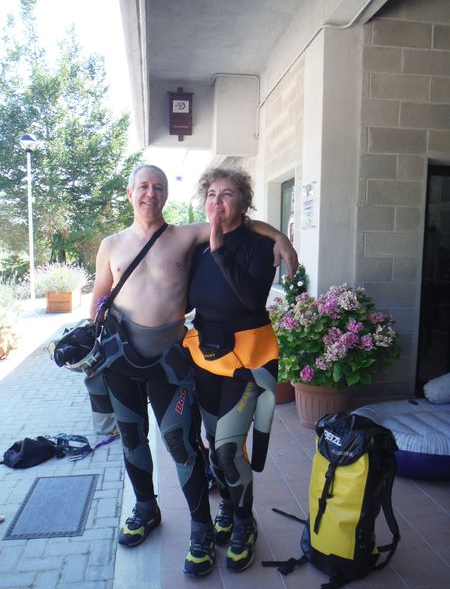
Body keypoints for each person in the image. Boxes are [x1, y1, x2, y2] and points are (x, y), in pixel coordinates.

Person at [86, 164, 297, 575]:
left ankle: (209, 526)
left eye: (158, 187)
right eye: (143, 186)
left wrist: (281, 236)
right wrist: (90, 338)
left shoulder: (187, 237)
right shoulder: (113, 245)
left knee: (190, 446)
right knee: (135, 440)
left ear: (166, 195)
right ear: (130, 193)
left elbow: (238, 227)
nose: (150, 193)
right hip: (134, 360)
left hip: (185, 361)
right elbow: (99, 297)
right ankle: (148, 508)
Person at [183, 167, 279, 573]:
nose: (217, 201)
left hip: (249, 360)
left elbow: (251, 299)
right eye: (211, 194)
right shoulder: (196, 248)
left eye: (227, 194)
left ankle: (244, 522)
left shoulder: (260, 246)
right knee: (213, 441)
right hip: (206, 356)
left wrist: (221, 248)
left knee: (227, 449)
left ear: (244, 202)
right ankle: (228, 505)